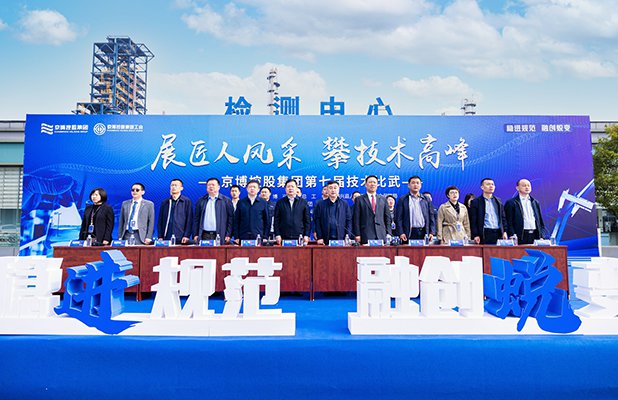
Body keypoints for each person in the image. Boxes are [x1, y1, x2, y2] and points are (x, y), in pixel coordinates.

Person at [505, 179, 547, 245]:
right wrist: (511, 234)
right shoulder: (511, 202)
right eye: (524, 185)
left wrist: (542, 235)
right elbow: (508, 221)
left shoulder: (535, 202)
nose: (527, 187)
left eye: (528, 185)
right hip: (519, 236)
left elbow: (540, 221)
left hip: (535, 235)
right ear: (517, 188)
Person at [352, 175, 391, 244]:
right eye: (370, 182)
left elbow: (387, 218)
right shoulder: (359, 199)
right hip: (365, 234)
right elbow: (356, 218)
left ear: (377, 185)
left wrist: (388, 233)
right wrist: (357, 234)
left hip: (381, 234)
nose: (372, 184)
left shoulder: (383, 199)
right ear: (365, 185)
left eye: (374, 182)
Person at [193, 177, 234, 243]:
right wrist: (195, 234)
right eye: (209, 185)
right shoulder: (201, 200)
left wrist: (228, 234)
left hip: (220, 235)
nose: (211, 187)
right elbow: (196, 219)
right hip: (204, 235)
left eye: (213, 185)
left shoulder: (226, 201)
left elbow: (230, 219)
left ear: (218, 187)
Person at [395, 176, 435, 243]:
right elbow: (398, 218)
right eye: (413, 183)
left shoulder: (426, 199)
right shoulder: (403, 199)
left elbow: (431, 217)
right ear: (408, 185)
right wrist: (401, 233)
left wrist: (431, 232)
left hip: (424, 232)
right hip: (409, 232)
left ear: (420, 185)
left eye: (417, 183)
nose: (415, 185)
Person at [468, 178, 508, 245]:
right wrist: (475, 235)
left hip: (498, 232)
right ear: (482, 187)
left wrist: (504, 231)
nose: (491, 186)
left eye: (492, 184)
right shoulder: (476, 202)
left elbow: (503, 218)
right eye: (488, 184)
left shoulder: (498, 201)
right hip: (485, 233)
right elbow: (473, 220)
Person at [313, 180, 352, 245]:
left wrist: (347, 236)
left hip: (341, 238)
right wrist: (319, 237)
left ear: (338, 190)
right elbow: (317, 221)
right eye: (330, 188)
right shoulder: (320, 204)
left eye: (335, 188)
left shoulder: (344, 204)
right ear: (327, 190)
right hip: (325, 239)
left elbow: (349, 221)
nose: (333, 190)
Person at [274, 179, 311, 245]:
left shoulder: (303, 202)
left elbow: (307, 221)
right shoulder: (280, 202)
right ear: (285, 189)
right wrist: (277, 234)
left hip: (299, 236)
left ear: (296, 188)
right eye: (288, 187)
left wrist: (306, 235)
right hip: (283, 236)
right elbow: (276, 220)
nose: (290, 188)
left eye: (292, 186)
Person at [157, 178, 193, 243]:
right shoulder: (165, 202)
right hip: (166, 237)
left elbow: (189, 220)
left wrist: (186, 235)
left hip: (181, 237)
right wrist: (160, 236)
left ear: (181, 188)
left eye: (176, 185)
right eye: (172, 185)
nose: (173, 187)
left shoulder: (186, 201)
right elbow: (160, 221)